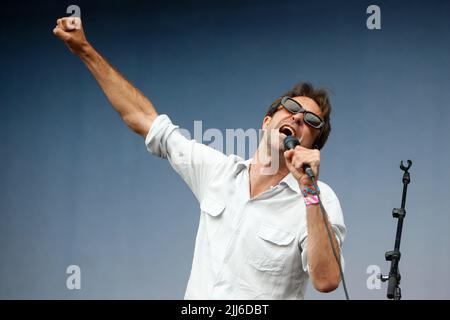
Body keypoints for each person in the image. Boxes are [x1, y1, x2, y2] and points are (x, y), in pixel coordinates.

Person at [53, 16, 346, 300]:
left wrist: (309, 189)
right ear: (266, 121)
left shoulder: (320, 200)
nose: (297, 117)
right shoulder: (219, 172)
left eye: (311, 120)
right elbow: (145, 119)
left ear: (313, 145)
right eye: (291, 107)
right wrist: (85, 50)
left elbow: (327, 280)